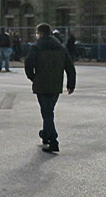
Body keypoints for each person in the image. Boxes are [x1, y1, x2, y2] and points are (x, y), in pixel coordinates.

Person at [25, 23, 76, 154]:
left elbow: (28, 63)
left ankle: (53, 140)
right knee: (49, 110)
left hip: (41, 84)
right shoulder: (61, 48)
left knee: (47, 113)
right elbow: (70, 68)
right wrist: (71, 84)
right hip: (56, 84)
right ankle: (46, 135)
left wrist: (33, 77)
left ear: (40, 34)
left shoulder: (36, 47)